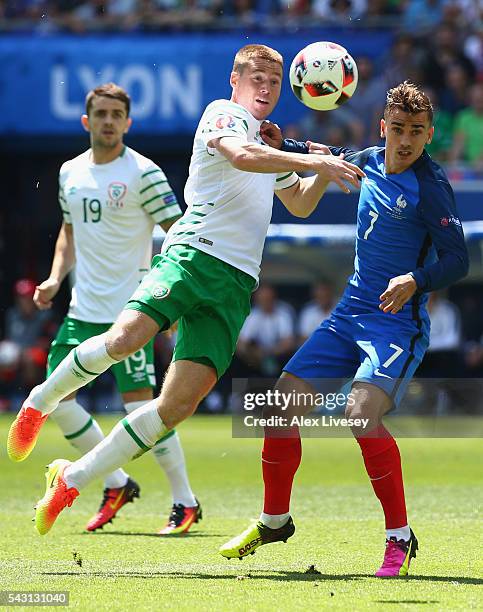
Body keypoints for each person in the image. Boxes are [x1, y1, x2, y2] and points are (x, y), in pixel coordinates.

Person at [7, 45, 364, 536]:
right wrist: (306, 160)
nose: (266, 88)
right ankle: (40, 402)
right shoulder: (223, 115)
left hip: (236, 282)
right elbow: (242, 156)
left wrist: (318, 171)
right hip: (192, 254)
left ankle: (71, 479)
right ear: (234, 81)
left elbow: (298, 204)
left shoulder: (269, 139)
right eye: (257, 77)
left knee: (176, 406)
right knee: (126, 339)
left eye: (275, 82)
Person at [220, 82, 469, 577]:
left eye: (416, 132)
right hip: (350, 312)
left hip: (397, 322)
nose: (405, 140)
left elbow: (458, 258)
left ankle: (399, 536)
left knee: (360, 415)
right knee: (278, 408)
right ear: (383, 127)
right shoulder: (369, 160)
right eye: (397, 129)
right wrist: (279, 142)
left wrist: (416, 279)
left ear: (429, 135)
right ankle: (275, 521)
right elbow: (324, 154)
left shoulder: (432, 185)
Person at [9, 83, 203, 536]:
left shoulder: (145, 173)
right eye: (101, 114)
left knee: (143, 407)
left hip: (130, 313)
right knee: (57, 401)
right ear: (86, 121)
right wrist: (57, 277)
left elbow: (178, 232)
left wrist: (168, 294)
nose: (109, 121)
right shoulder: (69, 172)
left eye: (117, 114)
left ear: (128, 122)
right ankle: (115, 482)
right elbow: (68, 231)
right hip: (82, 308)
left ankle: (185, 501)